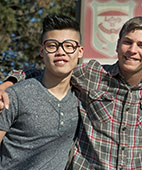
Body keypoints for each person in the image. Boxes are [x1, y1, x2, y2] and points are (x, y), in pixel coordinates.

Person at [0, 16, 142, 169]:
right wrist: (7, 84)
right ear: (118, 45)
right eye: (127, 42)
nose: (133, 50)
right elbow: (50, 70)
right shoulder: (92, 74)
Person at [0, 14, 83, 169]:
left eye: (69, 46)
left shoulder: (82, 95)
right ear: (42, 51)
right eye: (52, 45)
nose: (61, 51)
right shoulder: (14, 96)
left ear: (80, 51)